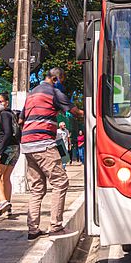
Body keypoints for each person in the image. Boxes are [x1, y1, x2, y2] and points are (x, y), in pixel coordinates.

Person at [20, 67, 83, 240]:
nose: (62, 84)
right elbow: (75, 111)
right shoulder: (54, 92)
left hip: (27, 145)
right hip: (44, 144)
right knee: (60, 182)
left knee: (37, 189)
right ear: (56, 79)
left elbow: (20, 119)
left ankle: (33, 229)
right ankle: (55, 227)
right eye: (62, 81)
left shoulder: (31, 94)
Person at [0, 92, 20, 217]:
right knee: (6, 177)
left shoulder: (4, 114)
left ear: (7, 102)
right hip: (15, 148)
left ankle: (2, 202)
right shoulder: (12, 115)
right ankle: (8, 207)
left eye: (0, 101)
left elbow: (7, 133)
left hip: (6, 149)